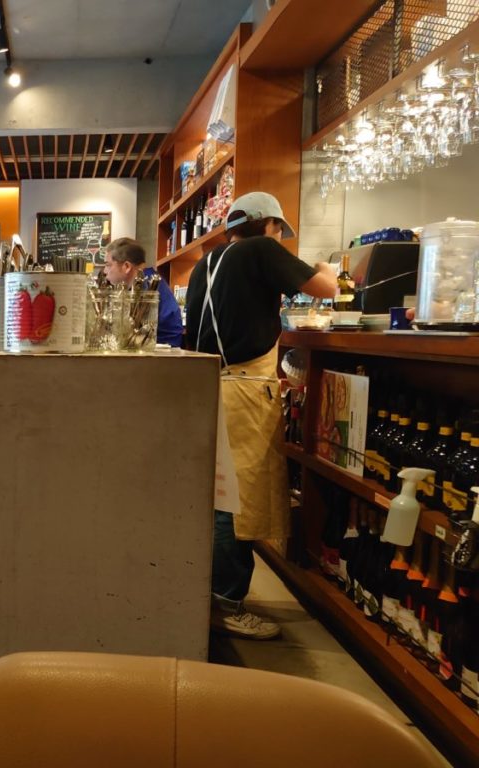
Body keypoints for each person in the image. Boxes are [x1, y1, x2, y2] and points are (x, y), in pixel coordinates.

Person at [185, 191, 337, 640]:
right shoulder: (261, 250)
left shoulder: (206, 262)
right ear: (267, 224)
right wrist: (328, 267)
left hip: (211, 386)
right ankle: (227, 603)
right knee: (238, 503)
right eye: (278, 229)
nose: (278, 237)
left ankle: (207, 594)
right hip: (245, 393)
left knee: (217, 496)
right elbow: (325, 289)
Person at [103, 237, 184, 346]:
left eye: (108, 265)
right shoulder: (147, 278)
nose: (105, 271)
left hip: (162, 350)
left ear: (126, 266)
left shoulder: (146, 286)